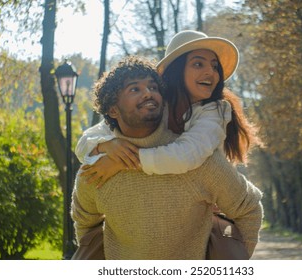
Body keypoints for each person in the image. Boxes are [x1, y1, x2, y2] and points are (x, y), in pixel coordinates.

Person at [70, 56, 263, 259]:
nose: (148, 93)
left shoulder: (199, 158)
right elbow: (84, 223)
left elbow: (248, 208)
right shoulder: (97, 169)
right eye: (134, 89)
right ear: (113, 110)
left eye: (153, 87)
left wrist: (236, 259)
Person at [75, 30, 258, 187]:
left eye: (214, 66)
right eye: (198, 64)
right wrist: (106, 145)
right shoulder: (154, 106)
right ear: (177, 70)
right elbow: (84, 143)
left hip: (208, 204)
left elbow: (187, 154)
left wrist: (121, 163)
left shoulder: (215, 111)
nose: (211, 72)